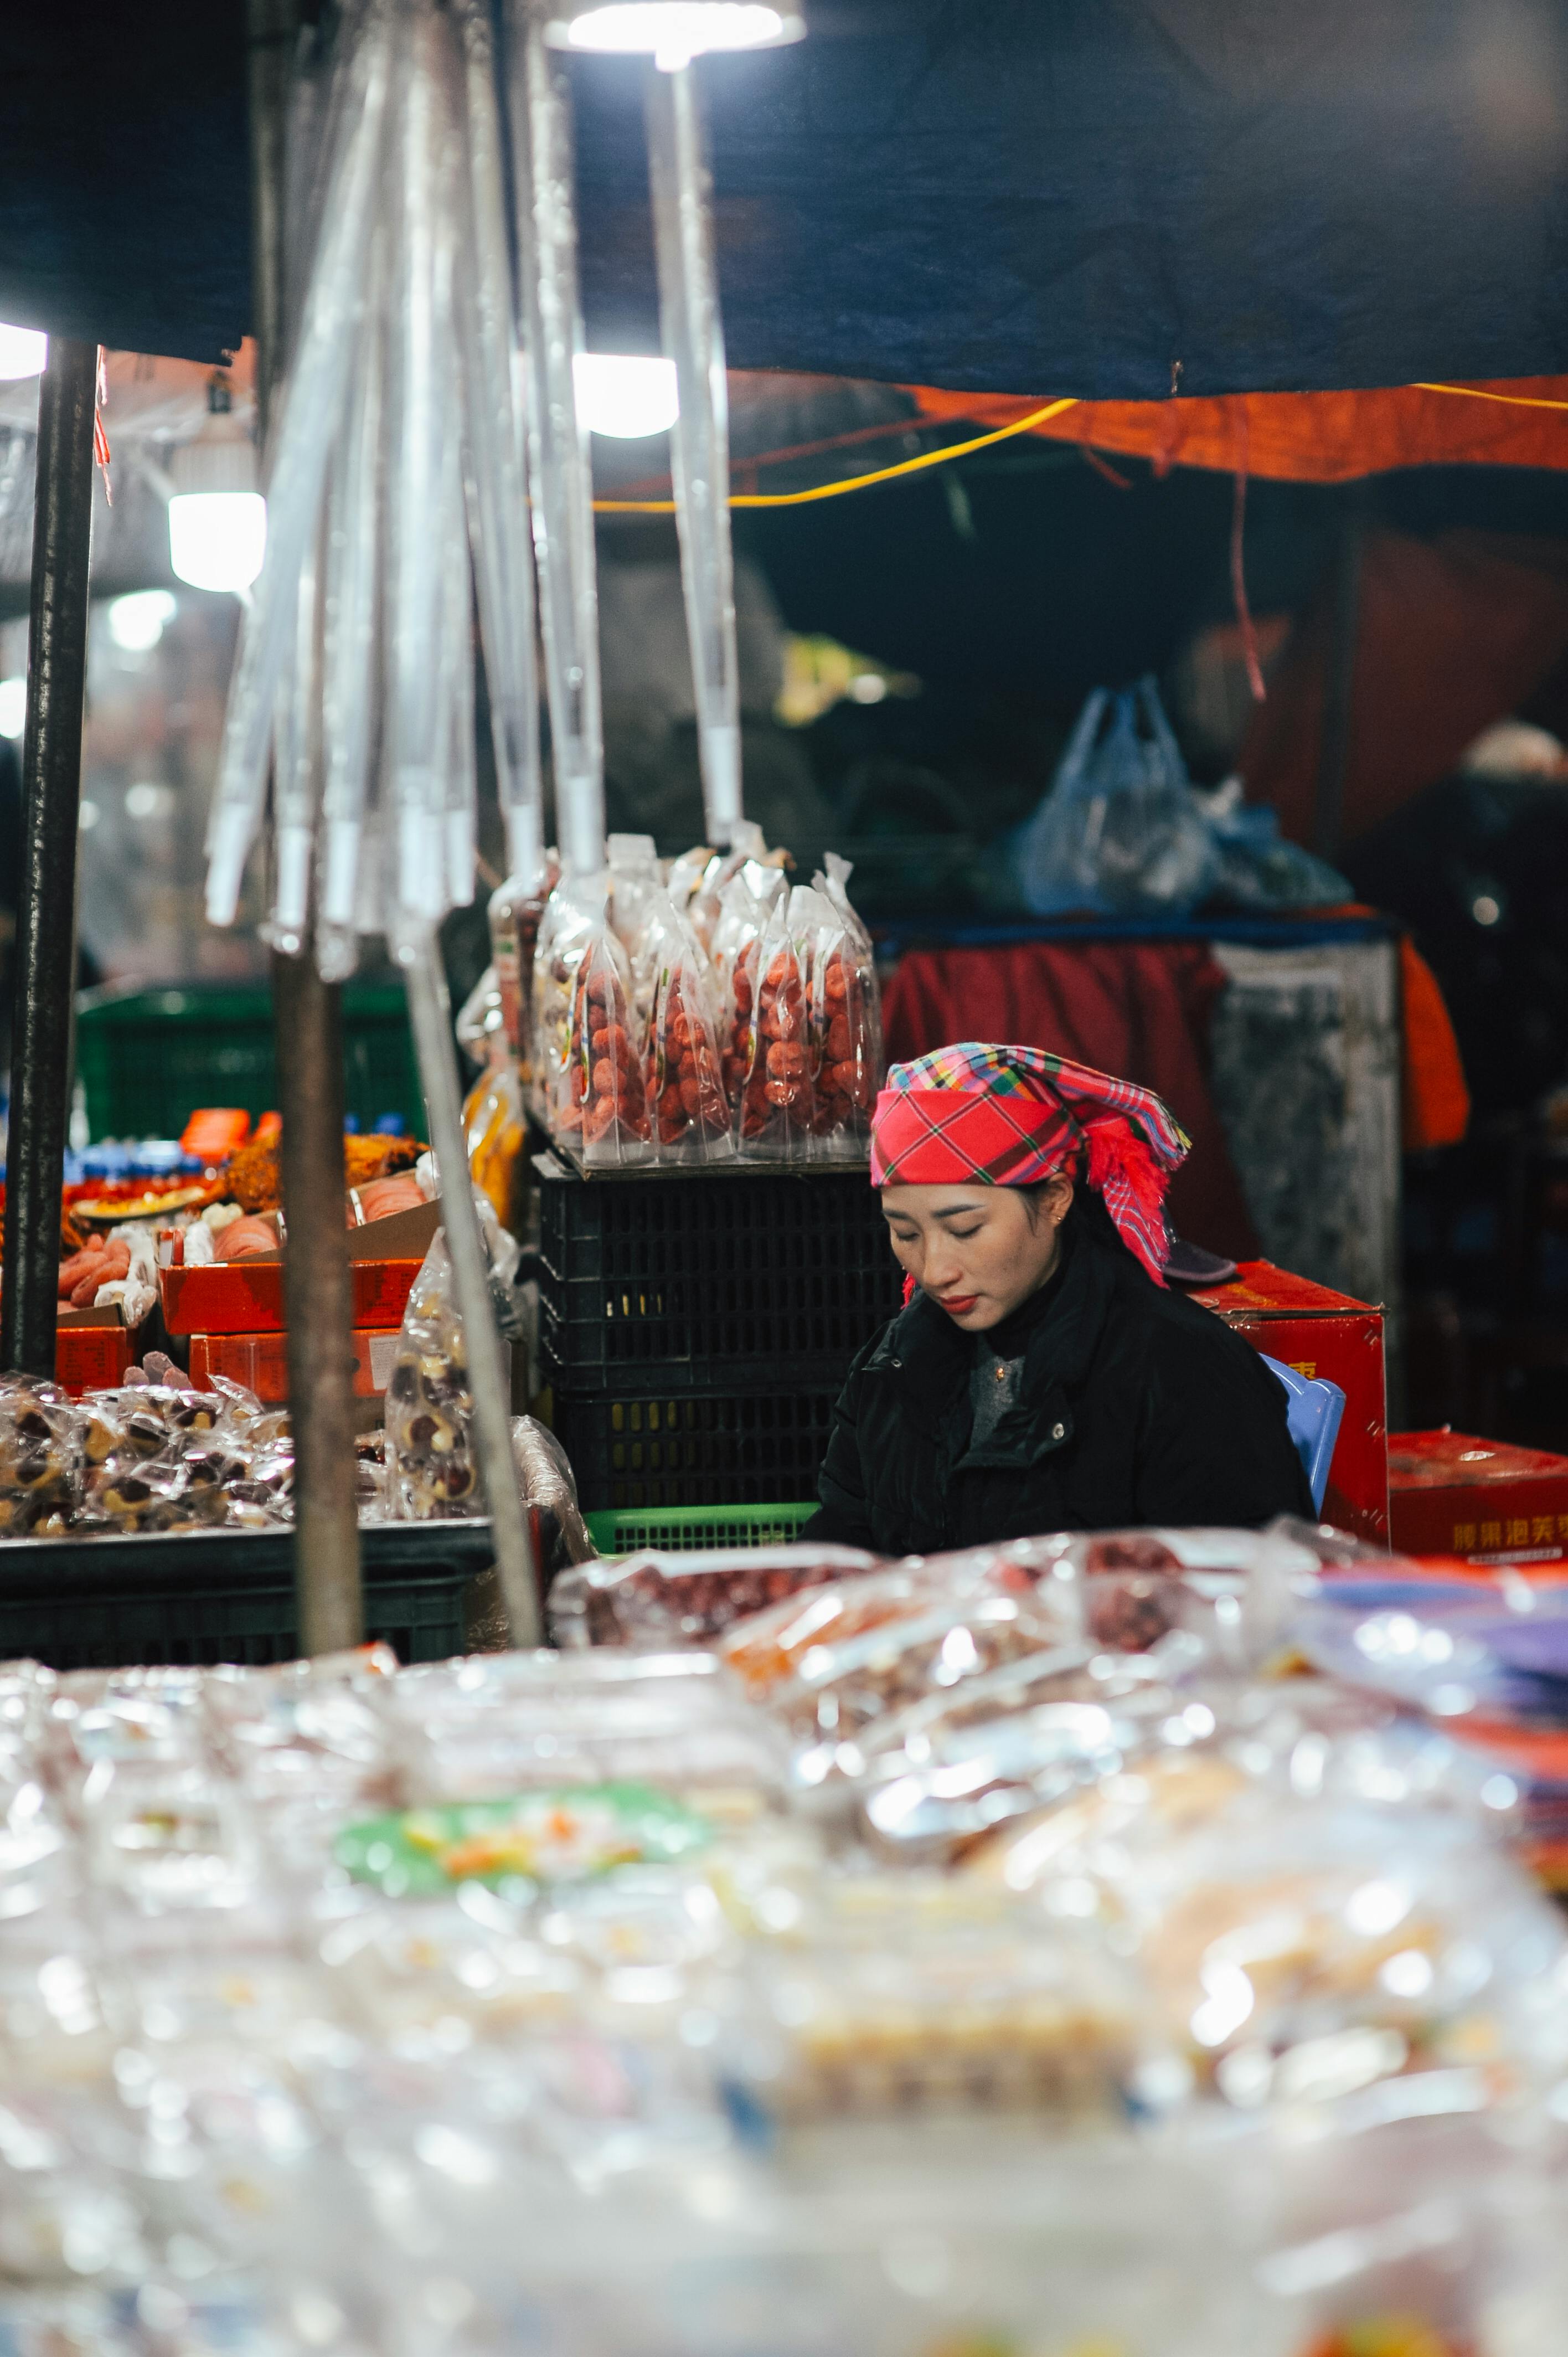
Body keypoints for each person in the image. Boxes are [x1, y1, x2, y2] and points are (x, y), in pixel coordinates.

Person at [806, 1042, 1313, 1554]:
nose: (935, 1271)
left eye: (965, 1229)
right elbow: (841, 1548)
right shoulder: (895, 1364)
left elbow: (1251, 1580)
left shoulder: (1179, 1369)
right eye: (906, 1234)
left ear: (1054, 1200)